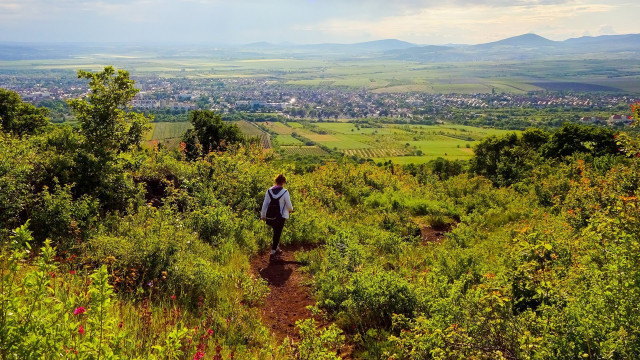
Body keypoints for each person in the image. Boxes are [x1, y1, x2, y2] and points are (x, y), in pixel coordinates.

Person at [261, 174, 293, 260]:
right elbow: (289, 206)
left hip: (270, 216)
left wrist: (263, 215)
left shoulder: (269, 191)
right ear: (283, 182)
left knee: (275, 232)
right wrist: (291, 210)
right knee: (277, 233)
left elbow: (265, 204)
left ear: (276, 181)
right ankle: (273, 252)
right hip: (280, 216)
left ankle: (277, 248)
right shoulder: (285, 192)